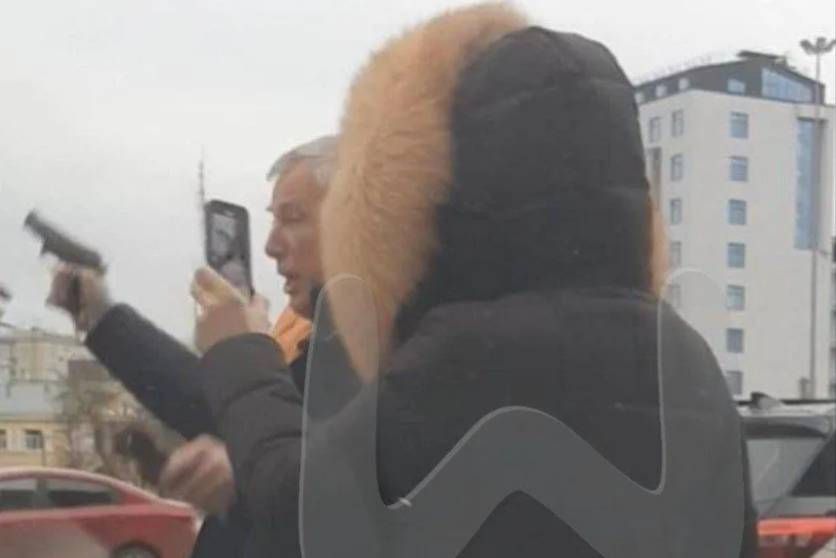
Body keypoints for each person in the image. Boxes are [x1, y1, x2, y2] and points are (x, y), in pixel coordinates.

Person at [191, 4, 757, 557]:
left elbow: (301, 510)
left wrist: (240, 352)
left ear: (439, 183)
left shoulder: (471, 355)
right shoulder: (688, 360)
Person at [46, 134, 337, 558]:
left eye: (293, 218)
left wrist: (249, 481)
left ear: (362, 222)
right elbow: (229, 412)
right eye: (273, 220)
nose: (271, 245)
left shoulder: (399, 356)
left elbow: (327, 501)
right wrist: (101, 318)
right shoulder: (322, 338)